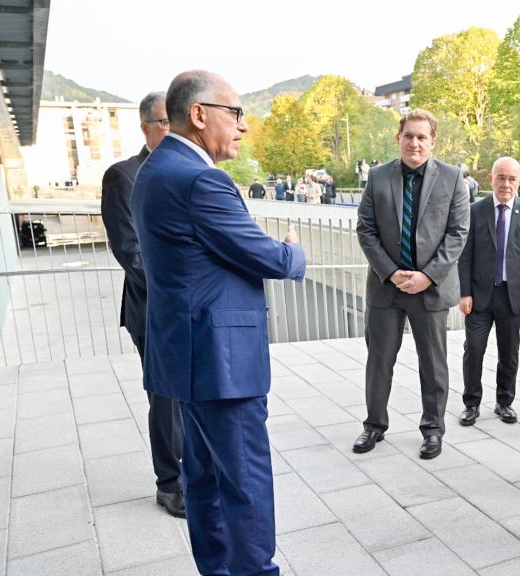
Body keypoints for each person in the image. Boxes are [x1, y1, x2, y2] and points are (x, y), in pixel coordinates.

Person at [131, 70, 306, 576]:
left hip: (186, 355)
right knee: (245, 479)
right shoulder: (201, 180)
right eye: (235, 113)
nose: (244, 126)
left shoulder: (155, 169)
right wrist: (293, 250)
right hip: (220, 361)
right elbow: (267, 258)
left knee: (204, 477)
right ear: (200, 114)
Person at [354, 109, 470, 459]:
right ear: (398, 138)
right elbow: (366, 230)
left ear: (433, 141)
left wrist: (427, 276)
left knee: (433, 363)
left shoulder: (452, 179)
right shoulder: (377, 178)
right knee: (379, 361)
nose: (415, 142)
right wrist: (390, 272)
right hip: (385, 287)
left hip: (430, 288)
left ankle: (433, 429)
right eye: (409, 135)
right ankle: (374, 425)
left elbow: (457, 233)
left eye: (422, 137)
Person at [100, 91, 184, 519]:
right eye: (163, 123)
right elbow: (130, 252)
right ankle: (170, 484)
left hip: (190, 308)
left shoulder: (184, 172)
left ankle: (195, 470)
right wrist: (180, 288)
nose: (170, 130)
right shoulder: (123, 176)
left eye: (175, 121)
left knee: (191, 393)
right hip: (153, 311)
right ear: (145, 128)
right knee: (166, 398)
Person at [457, 156, 520, 426]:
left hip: (512, 296)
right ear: (491, 179)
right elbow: (465, 256)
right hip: (480, 296)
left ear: (519, 181)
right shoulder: (474, 211)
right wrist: (464, 293)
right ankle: (471, 404)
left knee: (509, 352)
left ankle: (505, 402)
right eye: (501, 177)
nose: (506, 183)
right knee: (474, 350)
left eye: (512, 178)